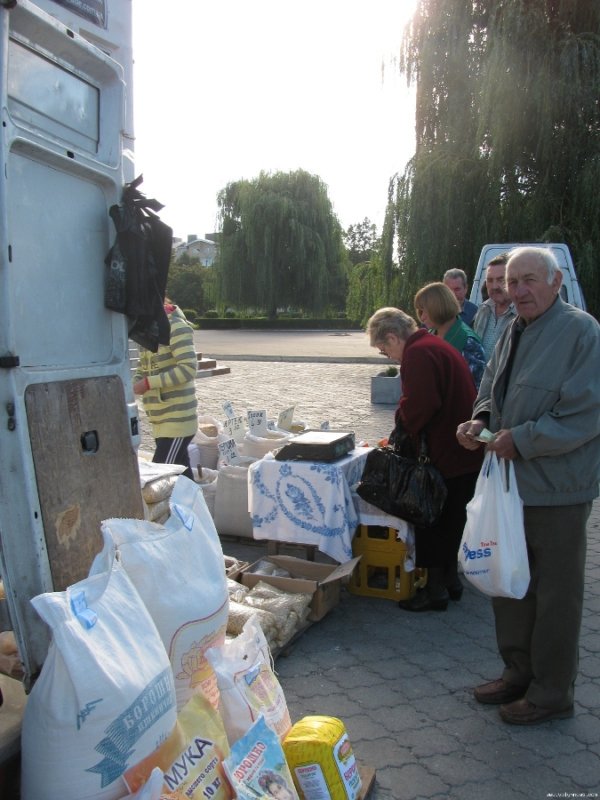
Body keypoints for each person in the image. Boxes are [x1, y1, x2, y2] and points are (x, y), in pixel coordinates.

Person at [457, 246, 600, 725]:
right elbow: (490, 388)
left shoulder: (582, 332)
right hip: (510, 483)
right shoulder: (512, 329)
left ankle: (551, 693)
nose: (517, 290)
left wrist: (521, 440)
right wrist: (479, 420)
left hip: (558, 488)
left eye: (529, 280)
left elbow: (584, 414)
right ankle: (518, 672)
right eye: (511, 282)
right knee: (511, 584)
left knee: (556, 595)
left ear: (556, 283)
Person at [367, 307, 484, 611]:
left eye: (384, 350)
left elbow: (420, 404)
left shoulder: (418, 353)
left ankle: (435, 591)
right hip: (462, 451)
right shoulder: (434, 344)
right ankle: (451, 582)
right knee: (452, 520)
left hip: (447, 452)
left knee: (432, 519)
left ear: (393, 337)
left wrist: (400, 427)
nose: (388, 356)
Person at [133, 298, 198, 479]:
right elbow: (142, 368)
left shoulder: (176, 326)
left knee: (161, 477)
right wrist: (134, 384)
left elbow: (188, 369)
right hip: (160, 420)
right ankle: (195, 497)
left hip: (177, 420)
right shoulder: (147, 329)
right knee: (182, 477)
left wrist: (148, 383)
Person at [414, 282, 487, 388]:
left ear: (439, 307)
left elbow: (474, 389)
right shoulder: (430, 334)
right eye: (420, 312)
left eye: (425, 311)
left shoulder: (468, 343)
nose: (422, 317)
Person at [473, 254, 516, 359]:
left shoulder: (522, 315)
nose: (494, 286)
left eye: (501, 280)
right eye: (490, 280)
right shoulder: (483, 309)